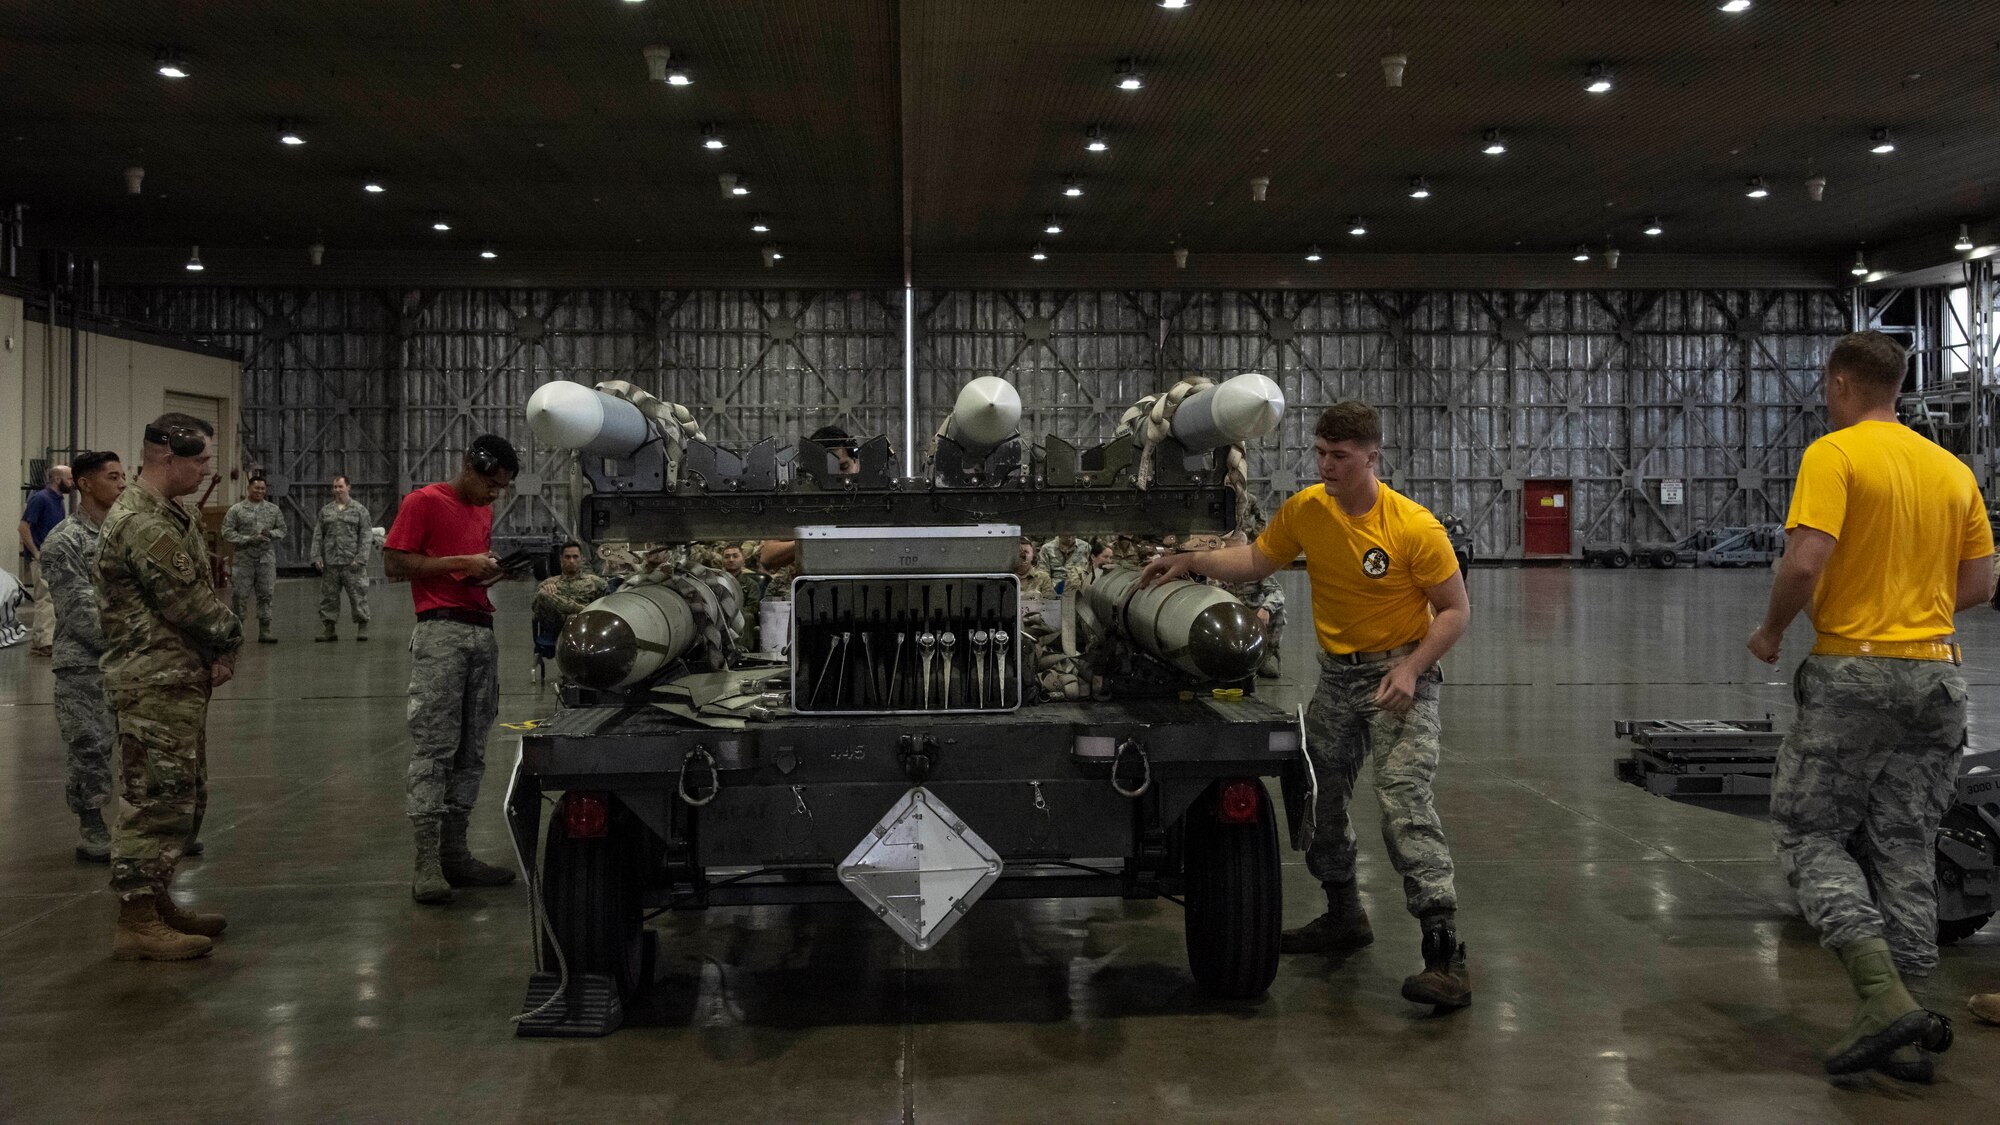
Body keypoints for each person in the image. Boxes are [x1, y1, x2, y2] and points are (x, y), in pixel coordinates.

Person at [1141, 401, 1474, 1011]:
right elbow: (1258, 560)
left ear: (1371, 456)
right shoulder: (1307, 510)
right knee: (1316, 800)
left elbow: (1455, 611)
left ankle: (1444, 952)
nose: (1325, 465)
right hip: (1338, 680)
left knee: (1403, 801)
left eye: (1339, 457)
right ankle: (1344, 913)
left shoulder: (1413, 527)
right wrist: (1190, 561)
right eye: (1320, 453)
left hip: (1400, 675)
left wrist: (1410, 668)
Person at [1748, 331, 1994, 1081]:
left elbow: (1806, 558)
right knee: (1907, 846)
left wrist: (1772, 629)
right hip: (1938, 678)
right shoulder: (1953, 469)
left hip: (1855, 672)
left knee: (1808, 833)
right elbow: (1982, 582)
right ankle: (1913, 1022)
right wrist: (1914, 610)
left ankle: (1880, 993)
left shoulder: (1836, 454)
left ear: (1841, 384)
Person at [96, 415, 241, 961]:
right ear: (167, 458)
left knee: (183, 796)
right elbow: (188, 603)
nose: (207, 469)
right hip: (152, 682)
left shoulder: (169, 512)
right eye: (200, 459)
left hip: (173, 678)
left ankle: (156, 900)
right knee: (156, 800)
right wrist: (230, 638)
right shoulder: (144, 524)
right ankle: (136, 916)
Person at [383, 434, 520, 905]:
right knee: (435, 747)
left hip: (481, 630)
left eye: (502, 488)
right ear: (471, 466)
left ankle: (455, 853)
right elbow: (395, 563)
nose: (494, 496)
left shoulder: (481, 511)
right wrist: (462, 562)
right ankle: (426, 864)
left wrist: (487, 570)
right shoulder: (424, 502)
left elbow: (463, 565)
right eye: (491, 484)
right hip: (440, 633)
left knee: (472, 748)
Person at [40, 452, 126, 862]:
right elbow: (79, 612)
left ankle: (146, 826)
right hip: (85, 663)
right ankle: (91, 823)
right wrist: (134, 641)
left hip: (131, 656)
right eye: (113, 477)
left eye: (123, 475)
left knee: (141, 744)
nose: (122, 483)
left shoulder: (126, 535)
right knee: (90, 745)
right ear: (85, 484)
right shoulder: (63, 541)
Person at [221, 476, 285, 643]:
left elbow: (282, 530)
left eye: (263, 489)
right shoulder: (236, 510)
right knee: (239, 596)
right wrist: (248, 539)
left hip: (266, 559)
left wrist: (270, 534)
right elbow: (227, 532)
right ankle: (238, 631)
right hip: (244, 560)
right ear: (248, 488)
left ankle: (265, 630)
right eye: (256, 488)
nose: (260, 491)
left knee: (266, 595)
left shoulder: (273, 510)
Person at [18, 463, 72, 656]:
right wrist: (36, 553)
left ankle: (45, 640)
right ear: (57, 479)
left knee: (53, 599)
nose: (72, 483)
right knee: (45, 599)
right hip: (42, 557)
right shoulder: (40, 498)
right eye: (69, 478)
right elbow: (23, 527)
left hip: (55, 557)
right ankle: (43, 643)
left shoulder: (58, 501)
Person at [311, 474, 372, 642]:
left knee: (358, 595)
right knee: (328, 597)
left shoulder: (359, 510)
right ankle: (329, 629)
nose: (337, 490)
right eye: (335, 487)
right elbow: (318, 535)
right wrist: (316, 556)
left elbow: (366, 536)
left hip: (352, 563)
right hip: (331, 563)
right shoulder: (326, 511)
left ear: (348, 487)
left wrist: (360, 559)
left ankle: (362, 626)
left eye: (340, 486)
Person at [531, 541, 609, 635]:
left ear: (582, 559)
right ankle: (584, 611)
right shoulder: (549, 583)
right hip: (558, 629)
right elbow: (536, 609)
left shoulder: (596, 582)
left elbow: (604, 611)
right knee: (543, 594)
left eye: (575, 557)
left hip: (585, 628)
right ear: (561, 559)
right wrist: (548, 592)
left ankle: (584, 613)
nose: (571, 561)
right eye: (567, 557)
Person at [718, 543, 763, 649]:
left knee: (748, 617)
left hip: (741, 615)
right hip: (719, 615)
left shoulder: (751, 584)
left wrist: (734, 613)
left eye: (735, 556)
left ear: (743, 560)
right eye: (727, 557)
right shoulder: (716, 582)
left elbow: (753, 607)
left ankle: (743, 650)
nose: (731, 559)